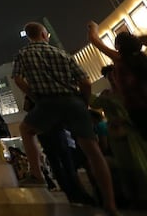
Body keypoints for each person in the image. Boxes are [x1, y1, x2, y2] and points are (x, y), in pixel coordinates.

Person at [12, 21, 120, 216]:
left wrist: (33, 95)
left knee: (26, 130)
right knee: (94, 153)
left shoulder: (23, 54)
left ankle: (37, 174)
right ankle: (110, 204)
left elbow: (18, 78)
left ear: (29, 36)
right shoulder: (61, 54)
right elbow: (85, 81)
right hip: (72, 101)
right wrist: (84, 102)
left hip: (46, 103)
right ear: (45, 34)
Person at [92, 65, 147, 208]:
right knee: (125, 165)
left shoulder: (128, 91)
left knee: (138, 163)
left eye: (113, 75)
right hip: (117, 134)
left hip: (132, 133)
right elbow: (93, 103)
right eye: (109, 76)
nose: (112, 78)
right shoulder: (107, 94)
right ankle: (135, 197)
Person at [87, 22, 147, 140]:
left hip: (138, 110)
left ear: (118, 46)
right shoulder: (142, 58)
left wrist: (93, 27)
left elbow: (94, 40)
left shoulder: (120, 59)